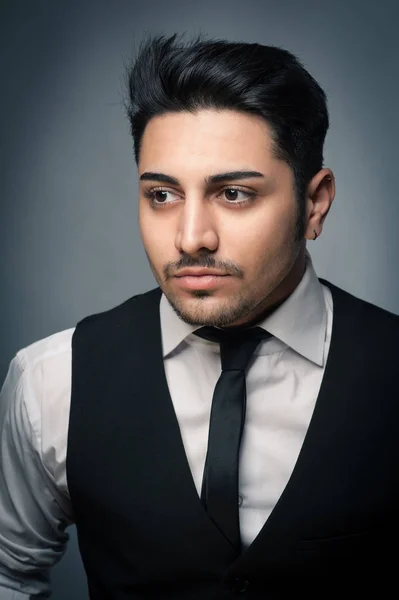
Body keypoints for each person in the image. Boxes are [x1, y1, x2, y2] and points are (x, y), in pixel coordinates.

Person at [0, 32, 398, 600]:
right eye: (162, 195)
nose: (191, 238)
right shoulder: (50, 381)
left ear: (315, 203)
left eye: (233, 194)